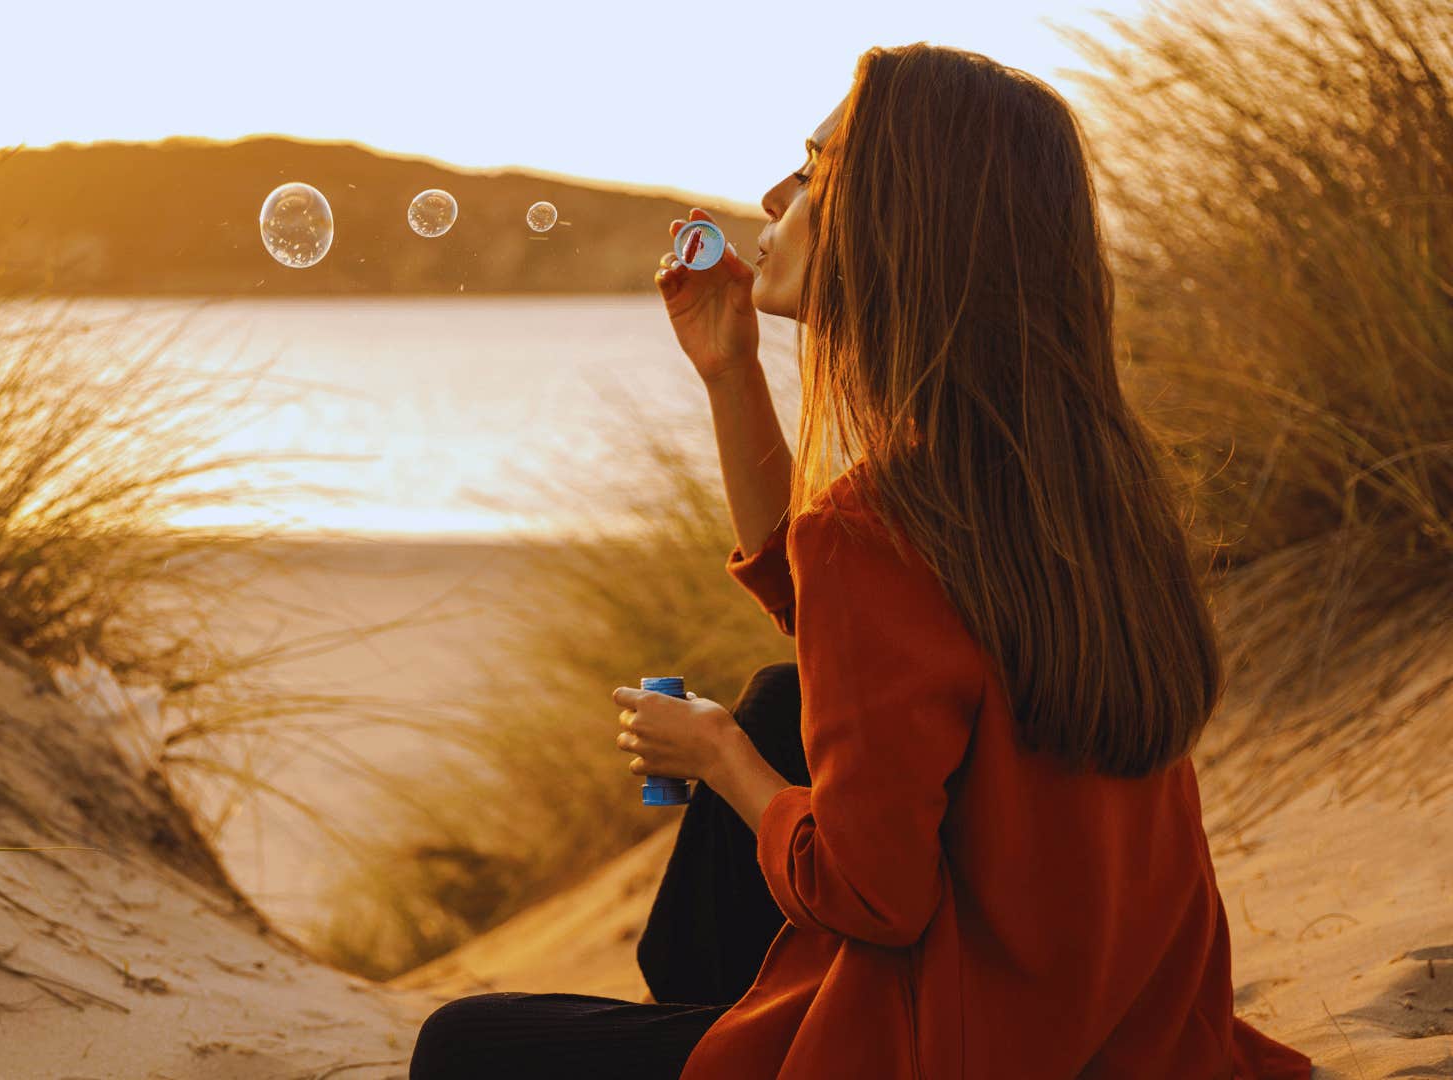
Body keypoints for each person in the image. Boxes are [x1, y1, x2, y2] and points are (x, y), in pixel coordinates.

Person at [408, 43, 1315, 1079]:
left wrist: (720, 762)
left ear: (894, 220)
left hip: (949, 1045)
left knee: (462, 1046)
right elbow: (865, 642)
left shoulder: (879, 526)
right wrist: (731, 370)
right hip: (1124, 1033)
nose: (771, 194)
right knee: (780, 698)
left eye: (812, 169)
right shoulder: (1101, 490)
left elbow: (875, 900)